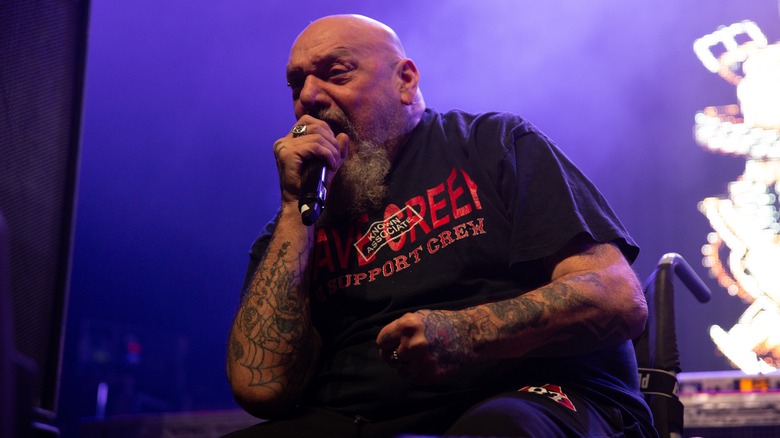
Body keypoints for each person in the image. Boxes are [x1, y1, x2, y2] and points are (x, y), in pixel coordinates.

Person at [225, 13, 657, 438]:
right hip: (360, 419)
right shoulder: (296, 222)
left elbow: (618, 298)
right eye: (296, 84)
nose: (309, 97)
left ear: (405, 81)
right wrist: (291, 210)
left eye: (336, 74)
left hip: (534, 397)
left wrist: (471, 332)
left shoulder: (493, 145)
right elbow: (261, 388)